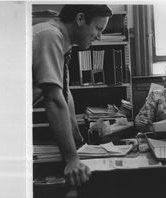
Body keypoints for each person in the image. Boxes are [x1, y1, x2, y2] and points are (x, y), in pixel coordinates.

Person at [33, 5, 112, 186]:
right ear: (80, 19)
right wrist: (71, 159)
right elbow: (53, 100)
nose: (99, 37)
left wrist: (78, 141)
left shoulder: (63, 42)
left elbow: (64, 93)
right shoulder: (50, 36)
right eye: (98, 29)